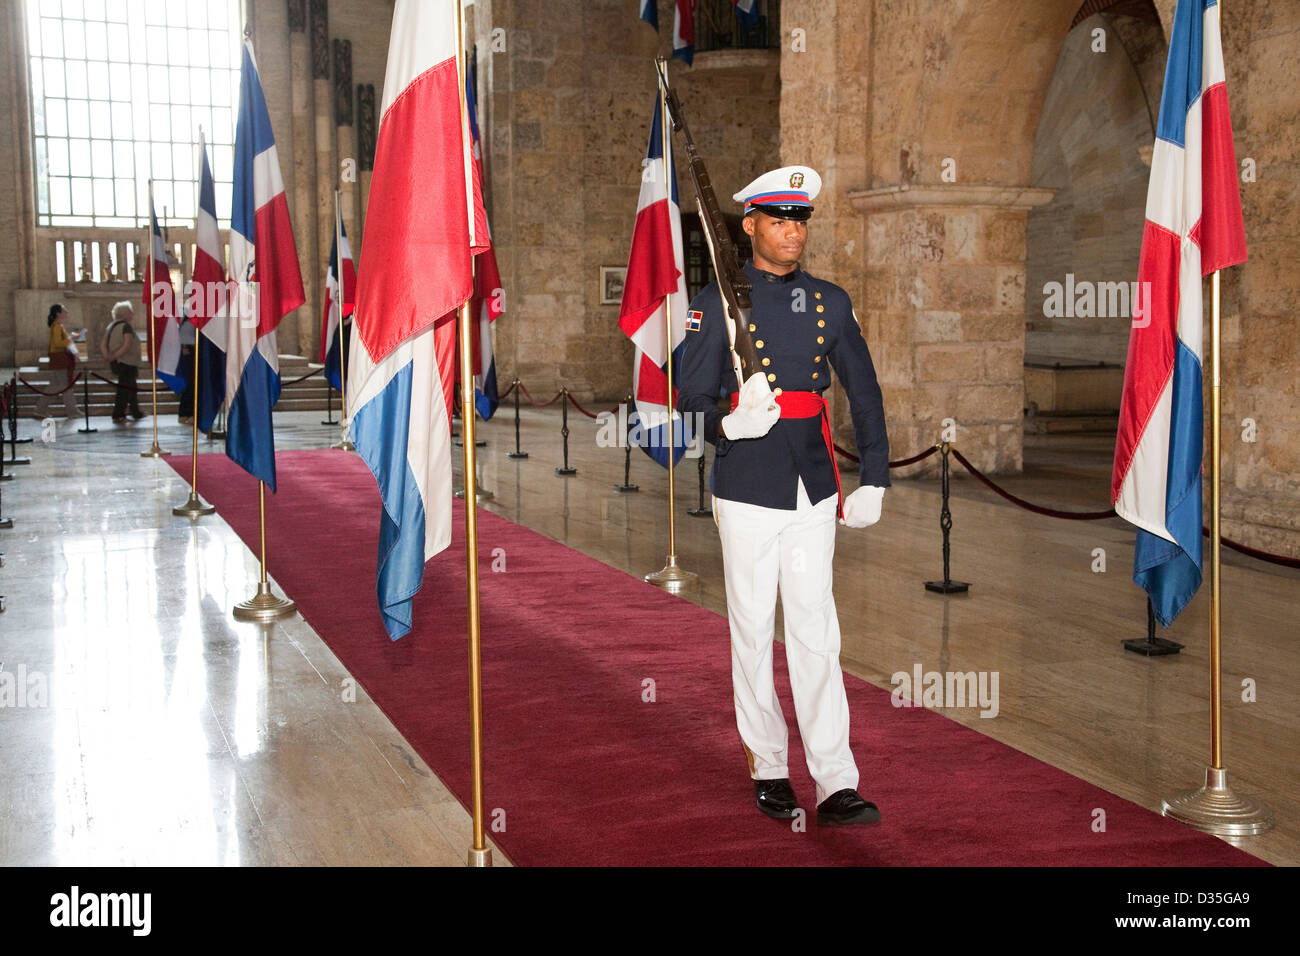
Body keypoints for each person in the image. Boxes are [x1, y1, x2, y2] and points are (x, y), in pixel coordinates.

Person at [676, 165, 891, 827]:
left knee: (816, 631)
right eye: (778, 218)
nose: (792, 231)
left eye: (800, 219)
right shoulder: (716, 303)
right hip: (747, 483)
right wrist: (726, 425)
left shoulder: (831, 300)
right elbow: (685, 400)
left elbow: (865, 390)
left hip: (812, 482)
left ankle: (835, 779)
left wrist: (876, 475)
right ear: (749, 226)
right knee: (750, 629)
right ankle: (769, 763)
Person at [34, 304, 81, 420]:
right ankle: (73, 412)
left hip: (59, 358)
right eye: (64, 311)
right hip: (60, 359)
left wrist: (69, 339)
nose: (67, 312)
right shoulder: (56, 327)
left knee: (54, 386)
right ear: (58, 313)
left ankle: (40, 410)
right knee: (65, 386)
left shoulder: (59, 326)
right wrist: (71, 339)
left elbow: (60, 342)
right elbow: (58, 344)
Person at [101, 301, 145, 423]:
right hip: (126, 362)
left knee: (131, 387)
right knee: (124, 389)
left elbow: (103, 344)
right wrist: (114, 356)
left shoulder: (111, 326)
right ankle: (118, 414)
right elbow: (127, 345)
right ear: (125, 314)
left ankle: (136, 412)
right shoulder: (126, 326)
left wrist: (108, 357)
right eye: (131, 312)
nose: (133, 314)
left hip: (117, 362)